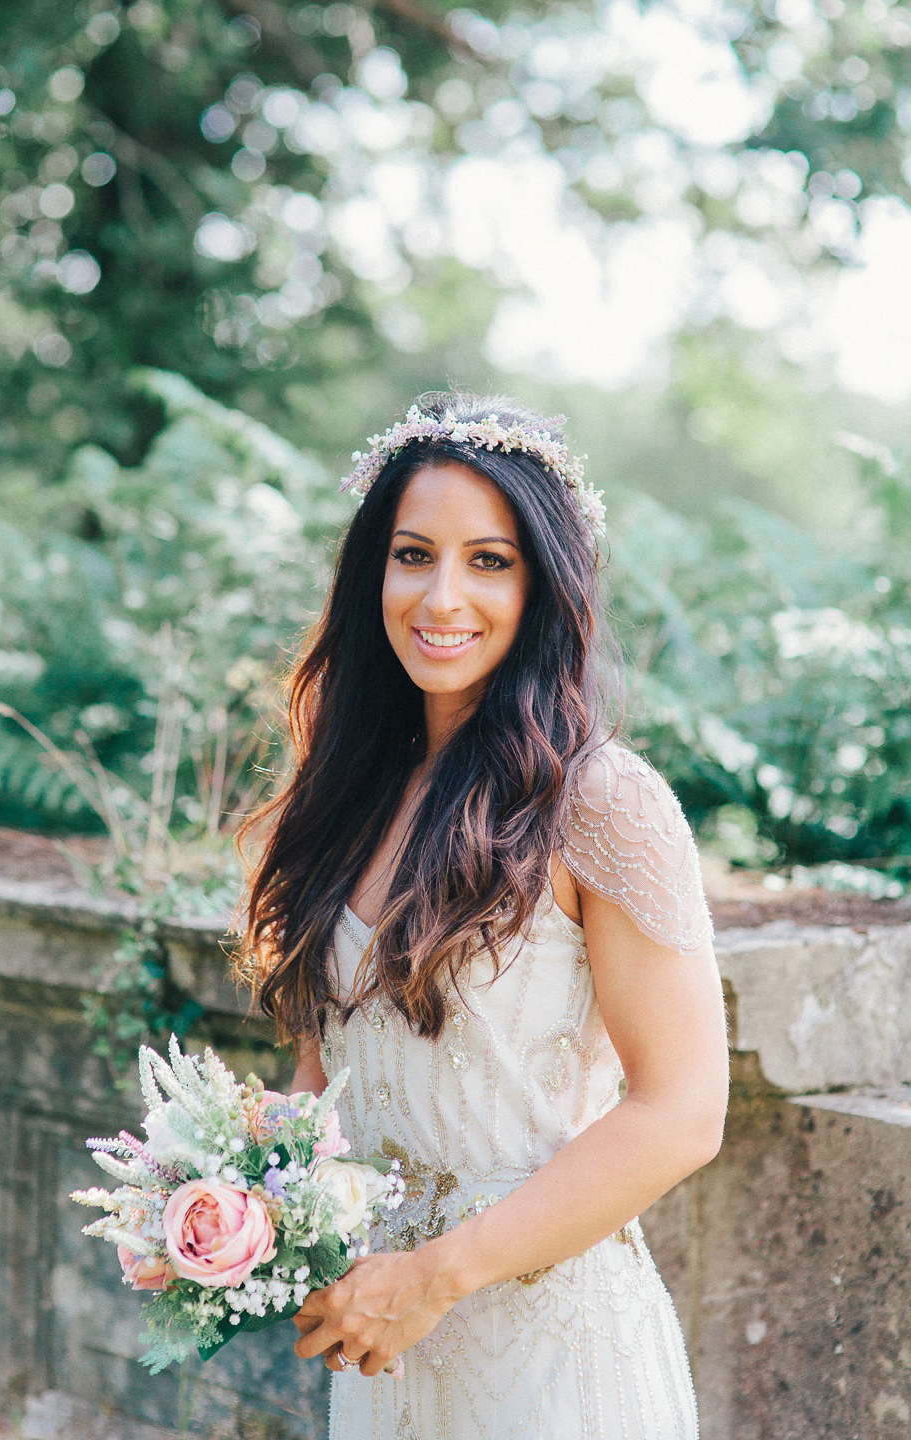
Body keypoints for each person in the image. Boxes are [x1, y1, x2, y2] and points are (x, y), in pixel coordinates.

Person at [237, 393, 730, 1439]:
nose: (441, 595)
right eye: (413, 554)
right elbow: (331, 1073)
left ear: (545, 582)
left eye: (490, 561)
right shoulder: (351, 788)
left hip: (548, 1350)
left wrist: (436, 1277)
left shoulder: (602, 801)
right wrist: (231, 1204)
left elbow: (682, 1113)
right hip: (383, 1348)